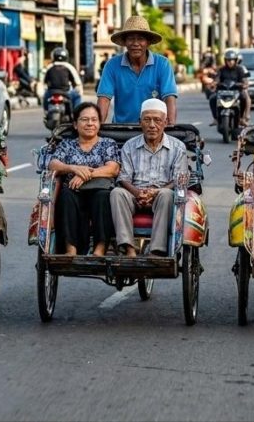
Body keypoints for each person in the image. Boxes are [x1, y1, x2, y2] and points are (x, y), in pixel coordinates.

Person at [110, 99, 186, 257]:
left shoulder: (178, 147)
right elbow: (124, 178)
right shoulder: (129, 146)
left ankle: (156, 250)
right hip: (135, 194)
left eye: (157, 120)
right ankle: (128, 247)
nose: (152, 125)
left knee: (166, 195)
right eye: (147, 119)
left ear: (165, 122)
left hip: (162, 194)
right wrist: (137, 193)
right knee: (117, 193)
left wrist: (155, 192)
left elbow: (179, 179)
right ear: (140, 122)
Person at [48, 102, 121, 256]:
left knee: (103, 197)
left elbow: (113, 169)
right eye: (84, 120)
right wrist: (73, 168)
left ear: (99, 123)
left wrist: (85, 175)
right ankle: (70, 249)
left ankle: (100, 248)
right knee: (66, 196)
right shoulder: (67, 145)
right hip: (73, 191)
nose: (90, 123)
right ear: (75, 124)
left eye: (94, 120)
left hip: (100, 190)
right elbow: (53, 164)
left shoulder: (108, 144)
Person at [97, 15, 178, 125]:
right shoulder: (112, 65)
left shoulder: (163, 64)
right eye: (131, 39)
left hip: (153, 128)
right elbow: (104, 99)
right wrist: (97, 126)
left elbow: (169, 98)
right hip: (122, 129)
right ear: (125, 42)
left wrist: (171, 125)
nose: (135, 44)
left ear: (148, 42)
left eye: (140, 39)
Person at [209, 48, 250, 127]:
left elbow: (244, 80)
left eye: (232, 60)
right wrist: (214, 83)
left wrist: (244, 84)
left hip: (236, 92)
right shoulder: (221, 69)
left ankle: (241, 118)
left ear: (235, 60)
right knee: (212, 98)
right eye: (228, 60)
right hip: (222, 92)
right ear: (225, 61)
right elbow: (217, 78)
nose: (230, 62)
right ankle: (215, 119)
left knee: (244, 98)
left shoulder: (239, 69)